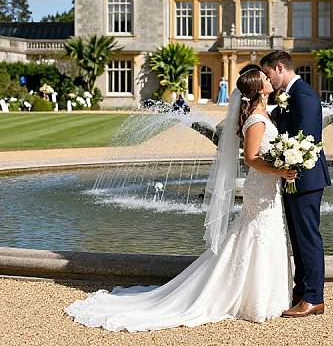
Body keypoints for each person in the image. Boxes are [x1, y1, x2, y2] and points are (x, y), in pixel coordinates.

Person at [64, 69, 297, 331]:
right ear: (258, 89)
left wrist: (284, 164)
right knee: (256, 234)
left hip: (269, 187)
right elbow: (251, 159)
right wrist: (279, 169)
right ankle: (253, 301)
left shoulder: (264, 113)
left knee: (263, 234)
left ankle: (266, 297)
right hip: (261, 186)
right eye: (265, 79)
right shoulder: (255, 119)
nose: (269, 80)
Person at [260, 50, 331, 318]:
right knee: (299, 239)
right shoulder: (291, 94)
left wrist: (287, 162)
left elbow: (308, 140)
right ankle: (301, 292)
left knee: (308, 237)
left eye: (268, 74)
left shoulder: (303, 94)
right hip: (293, 175)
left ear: (279, 68)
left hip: (305, 177)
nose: (269, 80)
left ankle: (314, 298)